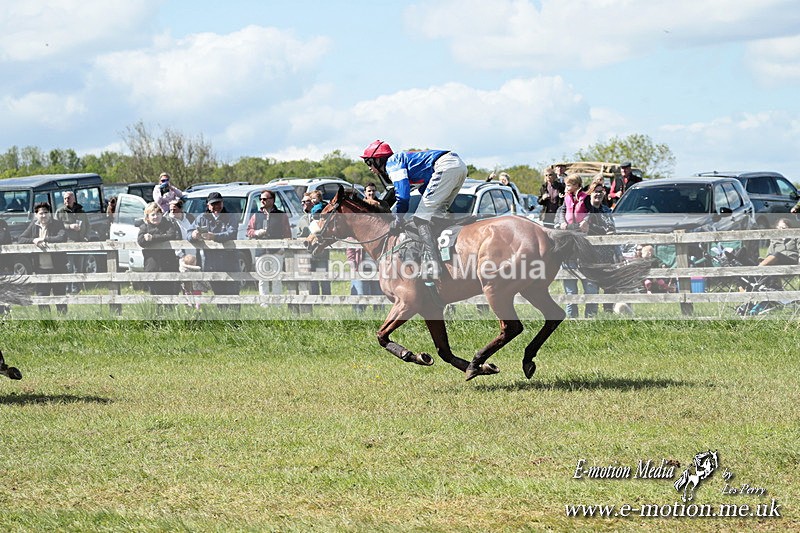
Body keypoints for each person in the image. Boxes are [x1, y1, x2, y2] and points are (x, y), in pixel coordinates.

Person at [361, 139, 468, 280]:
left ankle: (432, 264)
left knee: (420, 219)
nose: (370, 168)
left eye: (369, 162)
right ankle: (447, 255)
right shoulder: (403, 162)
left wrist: (398, 218)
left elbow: (403, 197)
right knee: (437, 215)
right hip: (458, 166)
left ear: (379, 160)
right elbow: (426, 186)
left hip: (446, 166)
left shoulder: (392, 163)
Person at [190, 191, 240, 310]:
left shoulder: (230, 216)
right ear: (208, 205)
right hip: (212, 262)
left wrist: (215, 237)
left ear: (222, 203)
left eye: (218, 204)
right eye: (213, 204)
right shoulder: (202, 218)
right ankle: (222, 319)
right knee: (218, 292)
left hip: (229, 261)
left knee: (232, 292)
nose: (216, 207)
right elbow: (189, 232)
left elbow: (231, 233)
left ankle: (236, 321)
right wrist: (193, 234)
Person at [17, 202, 68, 314]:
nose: (43, 215)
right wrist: (34, 240)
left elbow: (62, 237)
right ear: (36, 215)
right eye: (41, 213)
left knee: (60, 297)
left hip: (58, 269)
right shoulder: (33, 225)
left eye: (46, 212)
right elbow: (20, 239)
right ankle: (46, 323)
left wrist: (44, 240)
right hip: (40, 269)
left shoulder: (57, 224)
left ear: (49, 213)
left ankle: (64, 322)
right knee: (41, 297)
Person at [246, 189, 291, 304]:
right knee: (262, 279)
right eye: (261, 199)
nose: (262, 201)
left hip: (276, 251)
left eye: (265, 199)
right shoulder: (256, 215)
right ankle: (264, 304)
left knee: (276, 279)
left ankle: (277, 304)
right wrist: (256, 233)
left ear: (272, 200)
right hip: (261, 251)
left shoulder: (281, 215)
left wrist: (283, 248)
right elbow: (249, 231)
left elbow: (287, 234)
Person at [555, 175, 590, 318]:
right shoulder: (566, 198)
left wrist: (586, 221)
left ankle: (590, 314)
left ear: (577, 185)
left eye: (569, 185)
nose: (567, 188)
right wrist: (562, 222)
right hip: (569, 233)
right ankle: (572, 315)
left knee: (588, 280)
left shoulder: (585, 197)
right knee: (569, 277)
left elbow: (590, 211)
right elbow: (562, 211)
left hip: (582, 235)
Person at [137, 202, 180, 299]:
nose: (155, 217)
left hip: (168, 264)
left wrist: (153, 238)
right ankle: (156, 313)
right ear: (148, 217)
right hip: (152, 265)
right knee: (155, 294)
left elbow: (171, 235)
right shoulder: (144, 227)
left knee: (171, 293)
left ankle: (171, 313)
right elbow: (141, 241)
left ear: (161, 214)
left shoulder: (168, 224)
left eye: (158, 214)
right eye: (153, 215)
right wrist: (146, 238)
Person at [54, 191, 90, 294]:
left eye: (69, 198)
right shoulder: (60, 212)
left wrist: (86, 237)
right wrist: (69, 226)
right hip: (67, 244)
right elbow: (56, 226)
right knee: (68, 267)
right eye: (65, 198)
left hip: (80, 243)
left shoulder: (81, 211)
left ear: (74, 199)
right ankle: (67, 288)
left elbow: (88, 226)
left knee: (79, 267)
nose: (67, 200)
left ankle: (76, 289)